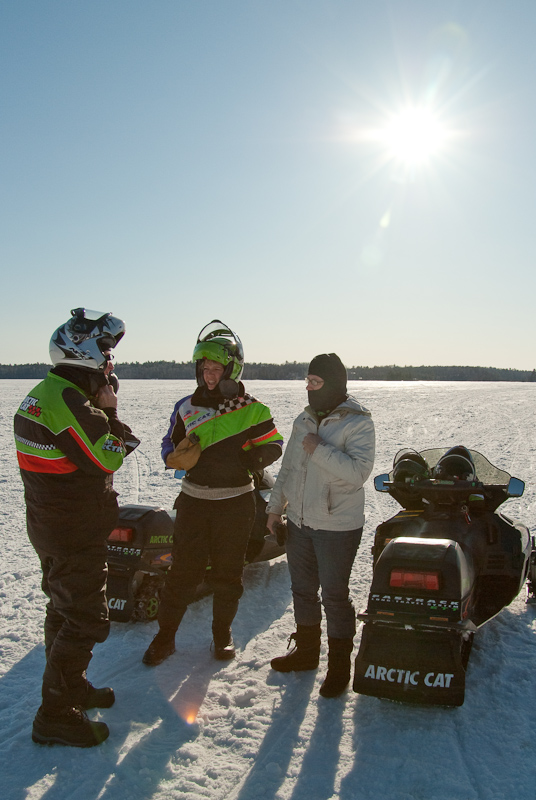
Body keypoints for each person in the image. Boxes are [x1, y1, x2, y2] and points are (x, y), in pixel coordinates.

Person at [14, 308, 140, 747]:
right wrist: (111, 412)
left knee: (62, 609)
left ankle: (70, 688)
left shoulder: (46, 392)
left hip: (53, 524)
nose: (110, 362)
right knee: (85, 619)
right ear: (83, 351)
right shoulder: (68, 401)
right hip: (71, 532)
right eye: (106, 351)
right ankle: (54, 714)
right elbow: (108, 454)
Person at [142, 320, 283, 667]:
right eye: (204, 368)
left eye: (216, 368)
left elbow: (276, 444)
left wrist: (253, 458)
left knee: (227, 576)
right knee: (182, 575)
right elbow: (168, 442)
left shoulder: (253, 408)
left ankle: (222, 634)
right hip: (193, 501)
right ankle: (165, 637)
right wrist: (169, 455)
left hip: (235, 505)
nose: (208, 375)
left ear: (232, 369)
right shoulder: (185, 406)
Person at [266, 353, 375, 698]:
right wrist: (274, 509)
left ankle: (339, 668)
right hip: (299, 521)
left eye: (316, 382)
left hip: (336, 526)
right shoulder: (304, 418)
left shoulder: (358, 421)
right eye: (307, 382)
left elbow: (358, 473)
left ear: (334, 384)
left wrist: (318, 449)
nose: (310, 388)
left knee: (334, 596)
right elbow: (287, 471)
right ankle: (307, 654)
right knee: (302, 591)